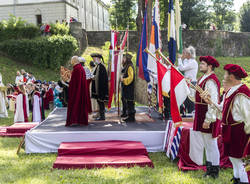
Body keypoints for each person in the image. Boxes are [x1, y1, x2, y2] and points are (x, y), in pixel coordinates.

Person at [202, 64, 249, 184]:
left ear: (232, 77)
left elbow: (248, 116)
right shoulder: (230, 92)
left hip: (239, 132)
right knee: (233, 159)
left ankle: (242, 181)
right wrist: (210, 101)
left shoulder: (242, 93)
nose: (224, 77)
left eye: (226, 74)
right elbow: (222, 110)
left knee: (240, 161)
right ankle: (237, 179)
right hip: (230, 131)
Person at [190, 56, 221, 178]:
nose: (200, 65)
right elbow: (195, 98)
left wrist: (208, 119)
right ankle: (209, 169)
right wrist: (188, 86)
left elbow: (213, 102)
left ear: (210, 66)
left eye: (203, 64)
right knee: (207, 144)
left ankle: (214, 171)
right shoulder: (202, 78)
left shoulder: (211, 81)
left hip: (208, 116)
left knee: (211, 144)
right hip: (201, 114)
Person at [66, 56, 90, 126]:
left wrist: (69, 82)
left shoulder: (77, 69)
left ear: (74, 60)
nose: (71, 61)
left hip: (77, 92)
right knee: (80, 106)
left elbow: (75, 82)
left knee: (75, 105)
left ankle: (74, 120)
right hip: (81, 91)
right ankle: (80, 120)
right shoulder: (80, 68)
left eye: (71, 60)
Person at [178, 46, 198, 114]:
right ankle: (186, 113)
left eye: (186, 53)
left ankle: (191, 113)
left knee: (190, 100)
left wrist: (179, 59)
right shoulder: (187, 60)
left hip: (192, 83)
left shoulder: (193, 62)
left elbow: (182, 68)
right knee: (186, 100)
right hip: (186, 82)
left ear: (189, 54)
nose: (184, 54)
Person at [91, 53, 108, 121]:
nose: (93, 60)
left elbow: (103, 79)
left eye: (94, 58)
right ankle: (101, 115)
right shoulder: (98, 66)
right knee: (99, 102)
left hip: (101, 88)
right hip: (99, 88)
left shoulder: (102, 66)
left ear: (98, 58)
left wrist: (94, 77)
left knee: (101, 102)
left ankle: (102, 116)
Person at [120, 53, 136, 122]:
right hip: (127, 87)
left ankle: (131, 117)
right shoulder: (126, 66)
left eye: (124, 58)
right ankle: (129, 115)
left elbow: (131, 77)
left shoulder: (130, 66)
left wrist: (123, 80)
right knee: (128, 102)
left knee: (130, 102)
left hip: (129, 88)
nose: (123, 59)